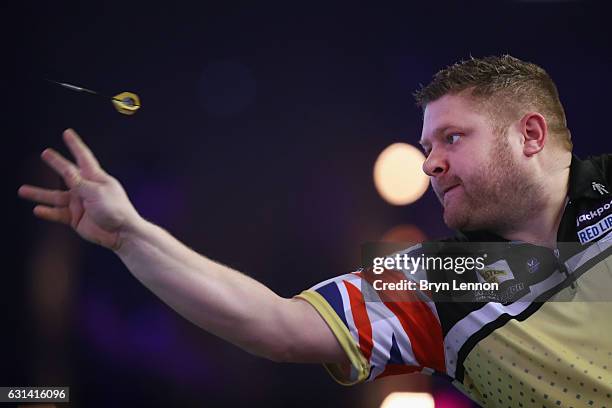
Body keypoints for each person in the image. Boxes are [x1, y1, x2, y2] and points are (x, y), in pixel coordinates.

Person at [18, 55, 612, 407]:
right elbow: (275, 325)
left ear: (530, 136)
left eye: (453, 139)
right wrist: (131, 234)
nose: (429, 163)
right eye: (427, 146)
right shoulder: (443, 276)